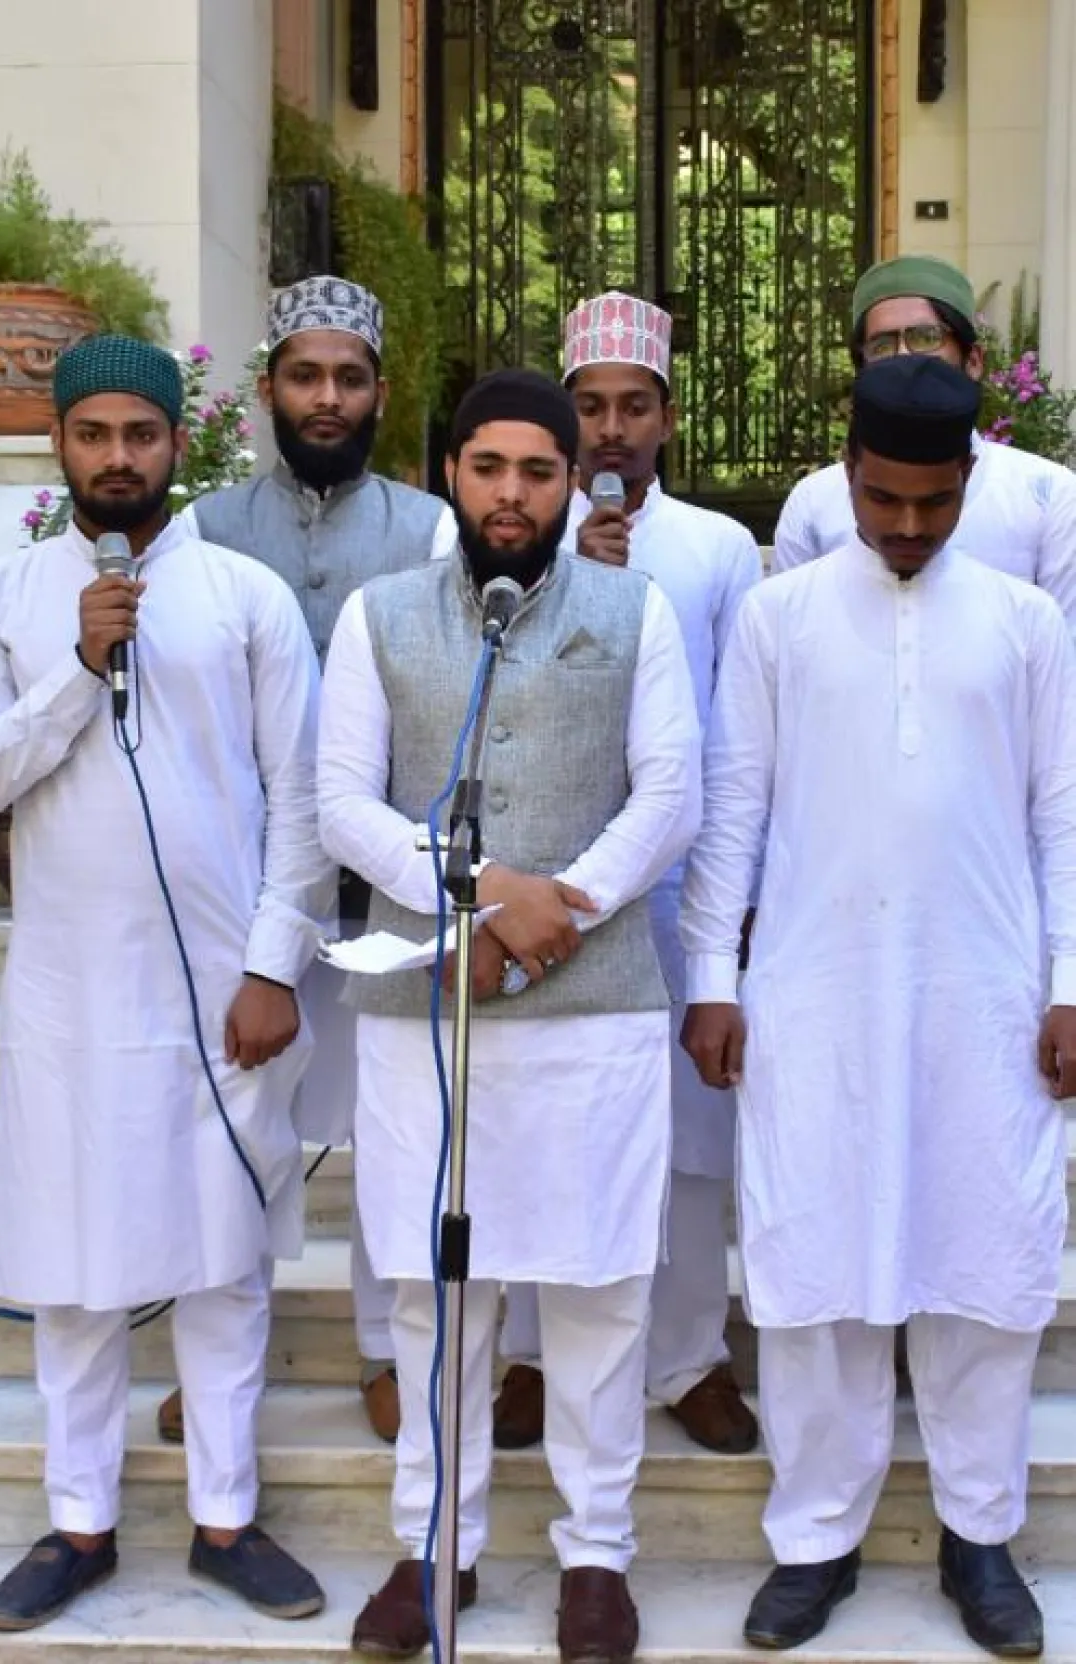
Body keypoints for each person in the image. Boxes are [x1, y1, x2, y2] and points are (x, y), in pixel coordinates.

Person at [0, 335, 335, 1632]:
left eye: (141, 435)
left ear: (178, 443)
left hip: (221, 991)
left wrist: (274, 963)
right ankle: (79, 1523)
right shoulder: (1, 596)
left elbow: (302, 797)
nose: (118, 458)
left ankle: (226, 1516)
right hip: (68, 999)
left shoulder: (243, 596)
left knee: (225, 1266)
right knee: (73, 1271)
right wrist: (76, 668)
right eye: (95, 434)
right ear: (60, 442)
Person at [680, 354, 1076, 1658]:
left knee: (985, 1271)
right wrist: (715, 979)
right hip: (816, 993)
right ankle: (814, 1542)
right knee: (815, 1278)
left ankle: (981, 1536)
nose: (908, 526)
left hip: (985, 995)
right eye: (884, 499)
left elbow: (1064, 814)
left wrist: (1071, 982)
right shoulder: (779, 616)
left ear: (970, 480)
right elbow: (732, 810)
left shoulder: (1027, 621)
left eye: (935, 502)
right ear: (846, 473)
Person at [318, 369, 703, 1662]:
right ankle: (436, 1544)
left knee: (598, 1295)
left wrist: (561, 910)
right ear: (449, 472)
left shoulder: (635, 609)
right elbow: (342, 801)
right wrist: (483, 894)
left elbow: (671, 794)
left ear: (571, 482)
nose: (512, 493)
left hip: (594, 1008)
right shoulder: (379, 616)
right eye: (488, 466)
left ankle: (597, 1557)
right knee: (438, 1296)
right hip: (428, 1008)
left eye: (538, 471)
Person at [153, 275, 456, 1450]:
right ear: (268, 388)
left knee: (393, 1118)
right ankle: (214, 1351)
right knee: (233, 1118)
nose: (327, 397)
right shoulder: (203, 530)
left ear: (380, 391)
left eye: (349, 378)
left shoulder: (429, 528)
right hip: (250, 891)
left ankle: (387, 1345)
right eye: (305, 375)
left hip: (385, 884)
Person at [495, 291, 761, 1458]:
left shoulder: (716, 547)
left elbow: (742, 728)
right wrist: (576, 571)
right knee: (540, 1119)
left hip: (675, 885)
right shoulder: (516, 537)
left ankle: (690, 1355)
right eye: (591, 406)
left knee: (690, 1139)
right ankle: (528, 1352)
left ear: (667, 416)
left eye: (633, 405)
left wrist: (740, 897)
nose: (610, 429)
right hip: (545, 883)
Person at [772, 254, 1076, 636]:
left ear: (973, 361)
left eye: (926, 338)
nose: (904, 357)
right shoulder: (814, 503)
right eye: (882, 345)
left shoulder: (1047, 497)